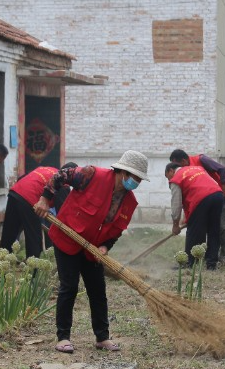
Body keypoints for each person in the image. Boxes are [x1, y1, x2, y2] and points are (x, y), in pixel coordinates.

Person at [33, 151, 148, 354]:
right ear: (123, 172)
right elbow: (60, 176)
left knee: (97, 290)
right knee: (69, 287)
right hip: (67, 239)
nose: (136, 182)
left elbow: (116, 231)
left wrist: (105, 247)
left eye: (139, 179)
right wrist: (44, 199)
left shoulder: (129, 202)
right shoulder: (91, 175)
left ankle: (102, 337)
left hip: (92, 249)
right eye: (135, 177)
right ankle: (63, 337)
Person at [169, 149, 225, 264]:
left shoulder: (176, 178)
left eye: (167, 177)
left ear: (171, 170)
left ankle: (190, 262)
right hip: (217, 195)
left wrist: (175, 225)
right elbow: (188, 199)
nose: (169, 180)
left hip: (203, 198)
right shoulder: (197, 168)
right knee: (213, 230)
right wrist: (186, 217)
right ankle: (211, 263)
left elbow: (176, 204)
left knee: (194, 231)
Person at [0, 164, 58, 259]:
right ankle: (32, 266)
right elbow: (62, 211)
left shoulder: (45, 168)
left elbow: (25, 178)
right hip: (30, 200)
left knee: (8, 235)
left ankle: (1, 263)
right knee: (34, 239)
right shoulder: (64, 183)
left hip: (15, 192)